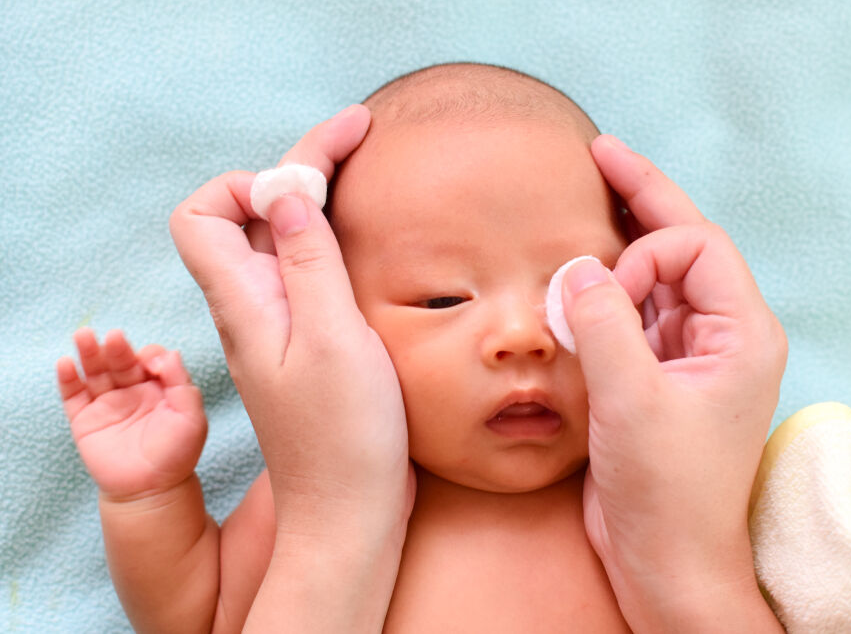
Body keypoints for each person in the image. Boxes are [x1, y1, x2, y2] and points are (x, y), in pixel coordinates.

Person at [56, 63, 787, 632]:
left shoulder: (674, 480)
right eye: (443, 299)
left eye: (574, 289)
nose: (522, 337)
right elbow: (200, 616)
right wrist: (149, 495)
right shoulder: (316, 486)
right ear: (334, 319)